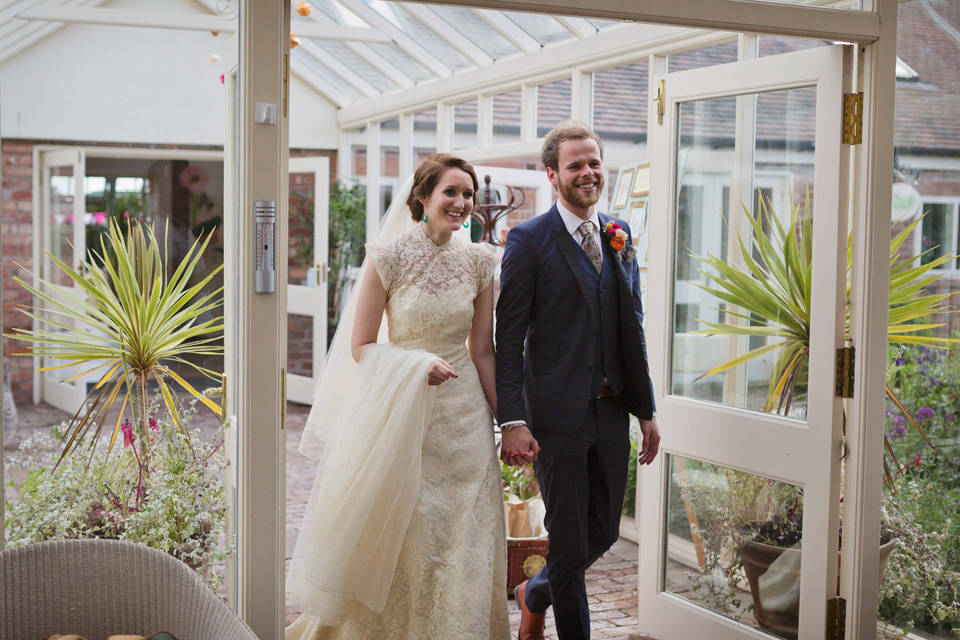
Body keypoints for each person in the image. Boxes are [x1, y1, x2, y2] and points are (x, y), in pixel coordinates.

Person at [285, 154, 510, 640]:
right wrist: (414, 365)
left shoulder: (480, 261)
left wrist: (509, 421)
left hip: (466, 419)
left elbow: (483, 349)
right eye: (451, 192)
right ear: (422, 197)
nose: (461, 202)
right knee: (411, 530)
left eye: (468, 194)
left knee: (466, 533)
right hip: (405, 416)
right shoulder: (386, 258)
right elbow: (361, 346)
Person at [496, 121, 661, 640]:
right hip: (555, 418)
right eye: (575, 165)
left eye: (594, 162)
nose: (588, 173)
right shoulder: (527, 239)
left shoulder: (619, 233)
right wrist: (513, 420)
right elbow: (510, 335)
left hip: (611, 412)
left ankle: (535, 591)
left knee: (606, 531)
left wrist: (646, 410)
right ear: (552, 175)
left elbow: (630, 327)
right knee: (569, 544)